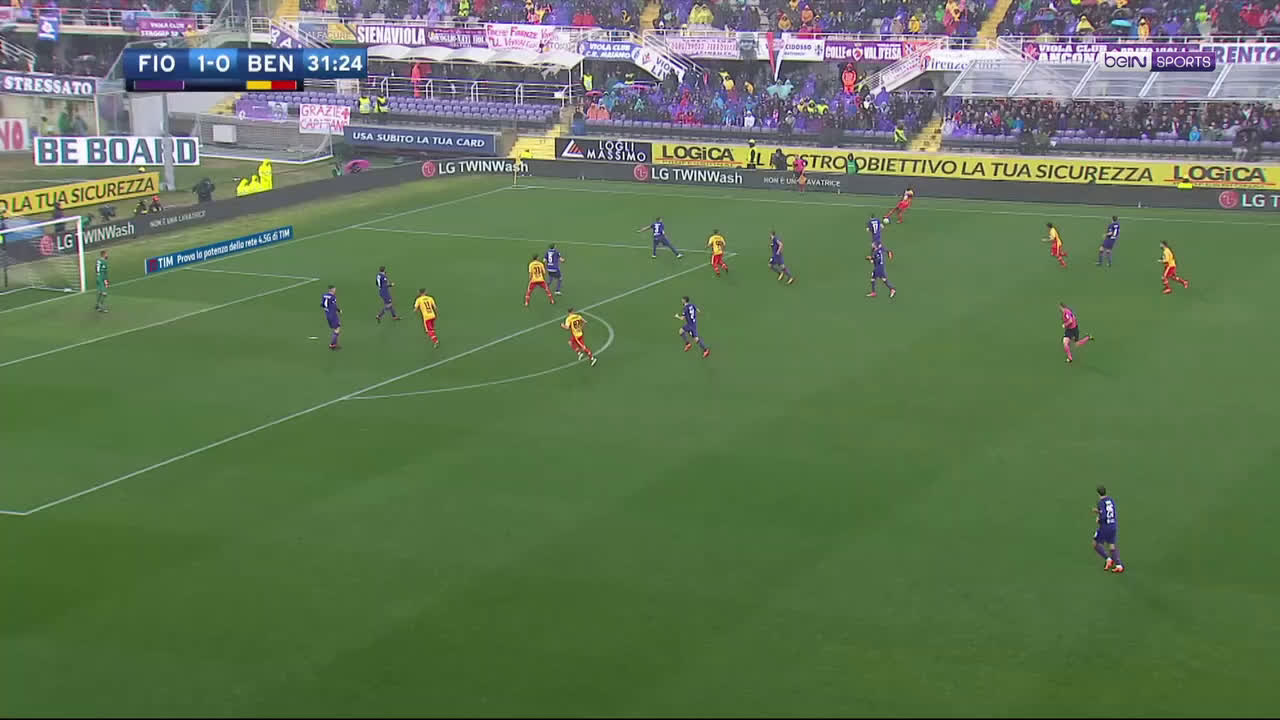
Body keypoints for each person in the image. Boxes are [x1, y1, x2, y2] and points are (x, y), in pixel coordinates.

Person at [1092, 486, 1124, 573]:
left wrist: (1099, 520)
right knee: (1112, 546)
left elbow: (1104, 516)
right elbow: (1109, 512)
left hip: (1105, 527)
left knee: (1095, 544)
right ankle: (1119, 565)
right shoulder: (1111, 500)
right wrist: (1098, 512)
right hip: (1113, 525)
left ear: (1098, 493)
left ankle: (1108, 559)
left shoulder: (1101, 502)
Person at [321, 285, 341, 350]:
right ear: (331, 289)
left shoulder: (324, 295)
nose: (335, 290)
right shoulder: (333, 297)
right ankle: (332, 344)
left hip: (327, 314)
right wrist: (338, 310)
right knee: (337, 328)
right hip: (333, 315)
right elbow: (334, 306)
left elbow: (322, 304)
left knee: (336, 328)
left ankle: (334, 344)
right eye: (334, 289)